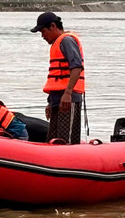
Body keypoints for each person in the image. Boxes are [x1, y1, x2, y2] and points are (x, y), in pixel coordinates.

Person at [31, 11, 85, 144]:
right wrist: (50, 103)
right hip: (57, 99)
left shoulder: (67, 40)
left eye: (43, 31)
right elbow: (56, 80)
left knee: (65, 140)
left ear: (53, 26)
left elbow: (76, 67)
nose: (42, 36)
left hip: (68, 99)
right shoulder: (57, 43)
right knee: (53, 139)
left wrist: (68, 93)